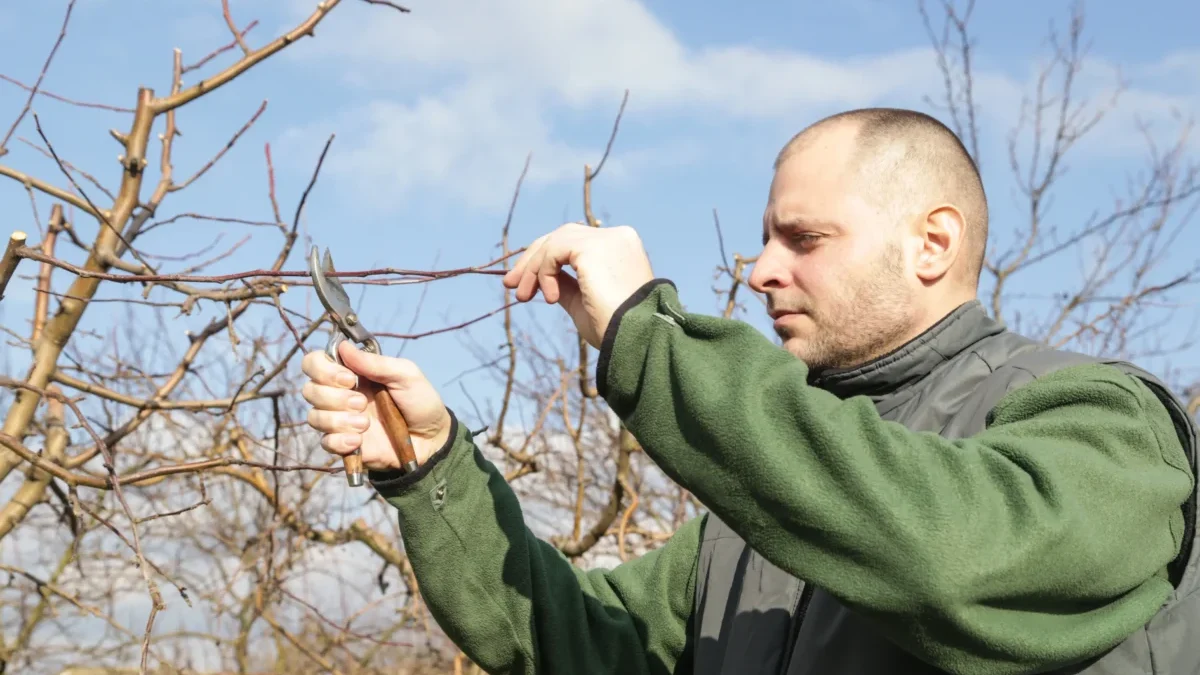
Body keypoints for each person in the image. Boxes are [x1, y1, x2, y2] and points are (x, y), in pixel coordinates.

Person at [300, 108, 1199, 675]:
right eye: (766, 240)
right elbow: (577, 643)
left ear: (932, 244)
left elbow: (949, 554)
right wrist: (432, 466)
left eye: (803, 239)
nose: (762, 269)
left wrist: (647, 336)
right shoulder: (750, 520)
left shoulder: (1105, 423)